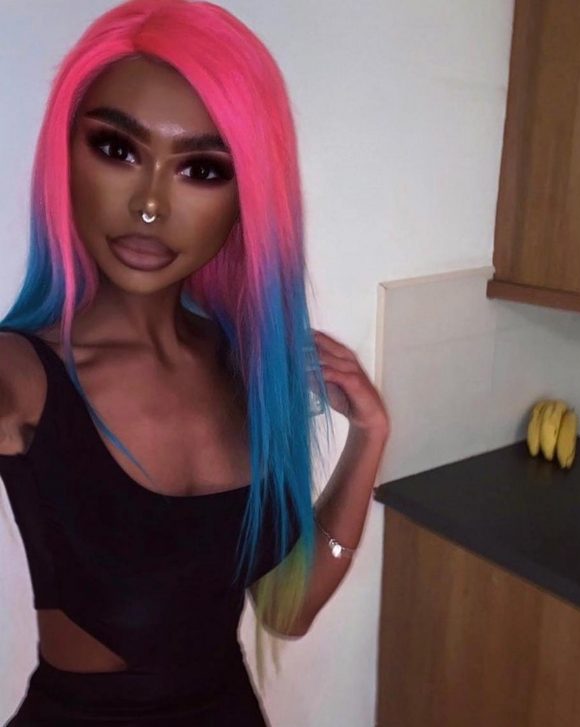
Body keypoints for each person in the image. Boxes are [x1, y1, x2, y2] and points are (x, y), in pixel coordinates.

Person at [0, 0, 390, 724]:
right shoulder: (20, 376)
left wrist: (368, 436)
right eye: (117, 149)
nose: (150, 205)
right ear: (65, 157)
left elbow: (286, 610)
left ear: (248, 199)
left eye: (203, 169)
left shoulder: (246, 367)